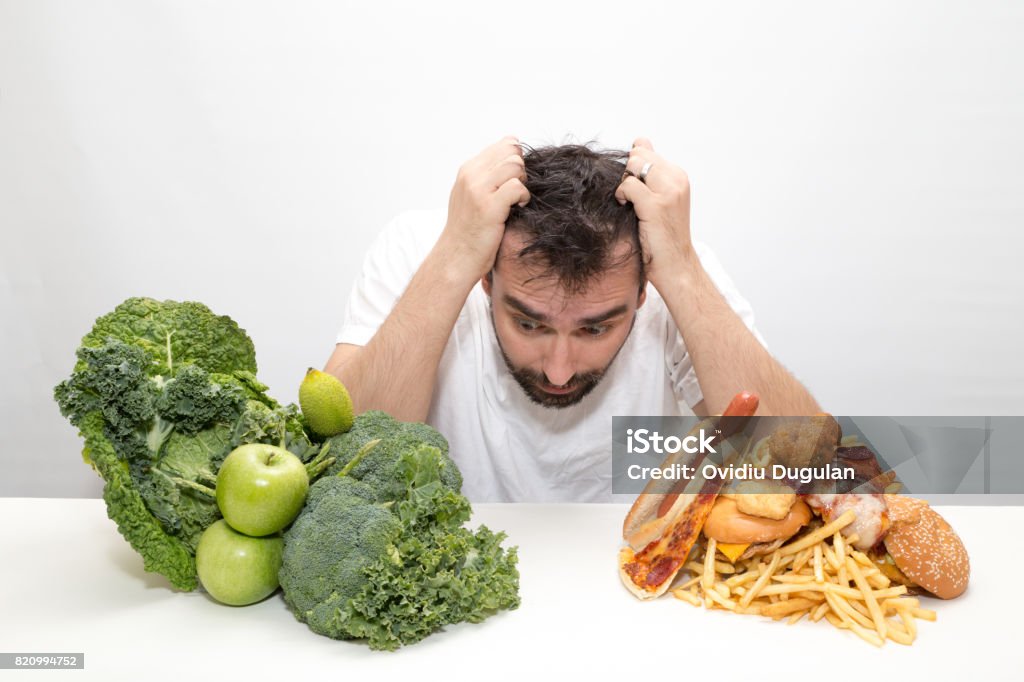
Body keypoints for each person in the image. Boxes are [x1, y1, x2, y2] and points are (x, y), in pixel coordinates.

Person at [325, 136, 820, 502]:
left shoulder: (675, 264)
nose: (558, 370)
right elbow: (338, 465)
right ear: (486, 281)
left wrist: (684, 275)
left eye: (595, 328)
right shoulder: (425, 250)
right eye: (530, 324)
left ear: (644, 291)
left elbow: (809, 465)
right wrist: (453, 260)